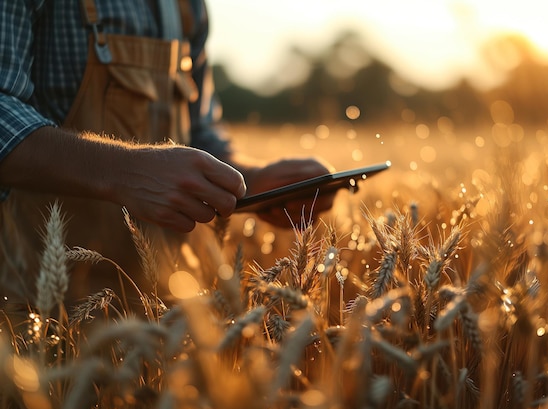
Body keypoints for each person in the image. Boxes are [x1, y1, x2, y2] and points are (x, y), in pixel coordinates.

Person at [0, 0, 334, 314]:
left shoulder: (186, 6)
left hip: (169, 313)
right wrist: (126, 172)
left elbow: (199, 131)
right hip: (35, 318)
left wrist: (250, 181)